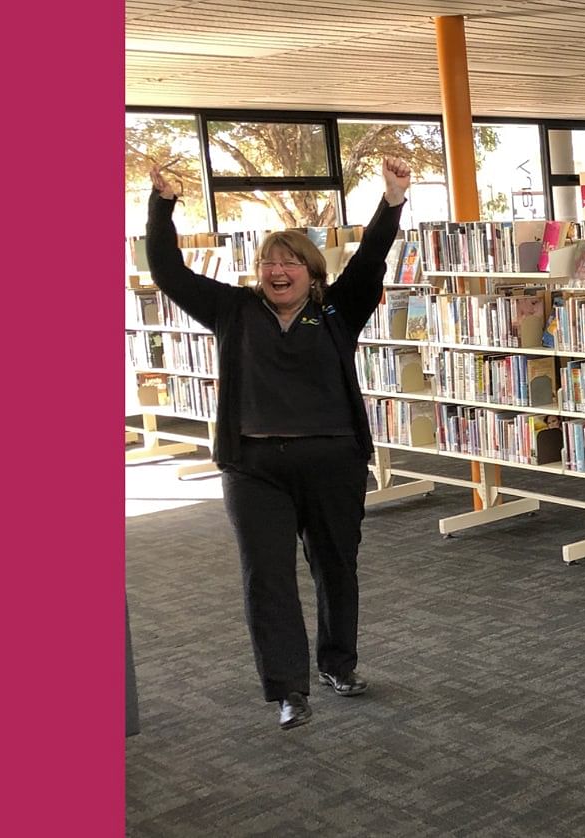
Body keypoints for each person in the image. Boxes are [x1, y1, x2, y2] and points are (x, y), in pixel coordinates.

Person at [145, 159, 410, 730]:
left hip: (332, 462)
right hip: (255, 467)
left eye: (290, 260)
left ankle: (338, 664)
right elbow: (168, 272)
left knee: (336, 566)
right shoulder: (234, 311)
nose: (277, 268)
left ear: (313, 274)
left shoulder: (338, 311)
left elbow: (369, 261)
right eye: (269, 260)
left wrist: (391, 201)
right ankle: (288, 690)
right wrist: (162, 205)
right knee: (266, 576)